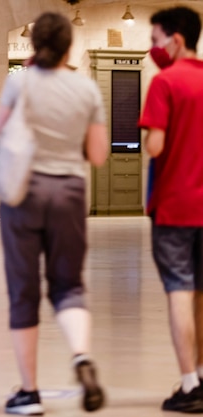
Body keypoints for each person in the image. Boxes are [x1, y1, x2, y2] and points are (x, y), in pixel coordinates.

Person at [0, 12, 108, 415]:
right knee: (68, 284)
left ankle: (29, 393)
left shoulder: (19, 83)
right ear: (69, 48)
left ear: (35, 45)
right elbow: (97, 154)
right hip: (70, 193)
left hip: (24, 192)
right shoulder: (86, 89)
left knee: (24, 290)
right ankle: (80, 355)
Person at [139, 6, 203, 413]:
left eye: (156, 39)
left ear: (176, 39)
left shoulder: (165, 82)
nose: (153, 48)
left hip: (176, 207)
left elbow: (156, 146)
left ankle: (189, 383)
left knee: (180, 289)